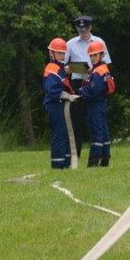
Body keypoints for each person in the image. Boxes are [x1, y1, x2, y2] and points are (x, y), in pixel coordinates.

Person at [65, 15, 111, 157]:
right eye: (80, 29)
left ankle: (100, 153)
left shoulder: (99, 42)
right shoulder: (70, 43)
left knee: (97, 119)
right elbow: (64, 66)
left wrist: (90, 71)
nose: (82, 32)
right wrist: (79, 69)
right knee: (76, 120)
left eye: (85, 29)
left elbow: (106, 64)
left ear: (90, 28)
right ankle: (75, 154)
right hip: (78, 83)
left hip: (95, 83)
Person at [79, 40, 115, 167]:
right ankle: (105, 159)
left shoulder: (98, 71)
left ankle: (93, 161)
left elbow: (94, 91)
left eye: (95, 55)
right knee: (104, 132)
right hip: (101, 104)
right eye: (91, 55)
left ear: (101, 55)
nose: (93, 58)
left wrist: (81, 91)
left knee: (96, 133)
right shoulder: (102, 69)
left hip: (95, 105)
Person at [43, 38, 76, 169]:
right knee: (59, 134)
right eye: (59, 53)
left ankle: (65, 163)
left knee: (65, 133)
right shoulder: (52, 68)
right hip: (54, 105)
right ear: (51, 53)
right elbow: (52, 90)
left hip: (60, 104)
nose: (62, 56)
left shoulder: (59, 67)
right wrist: (67, 95)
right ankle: (57, 165)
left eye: (63, 53)